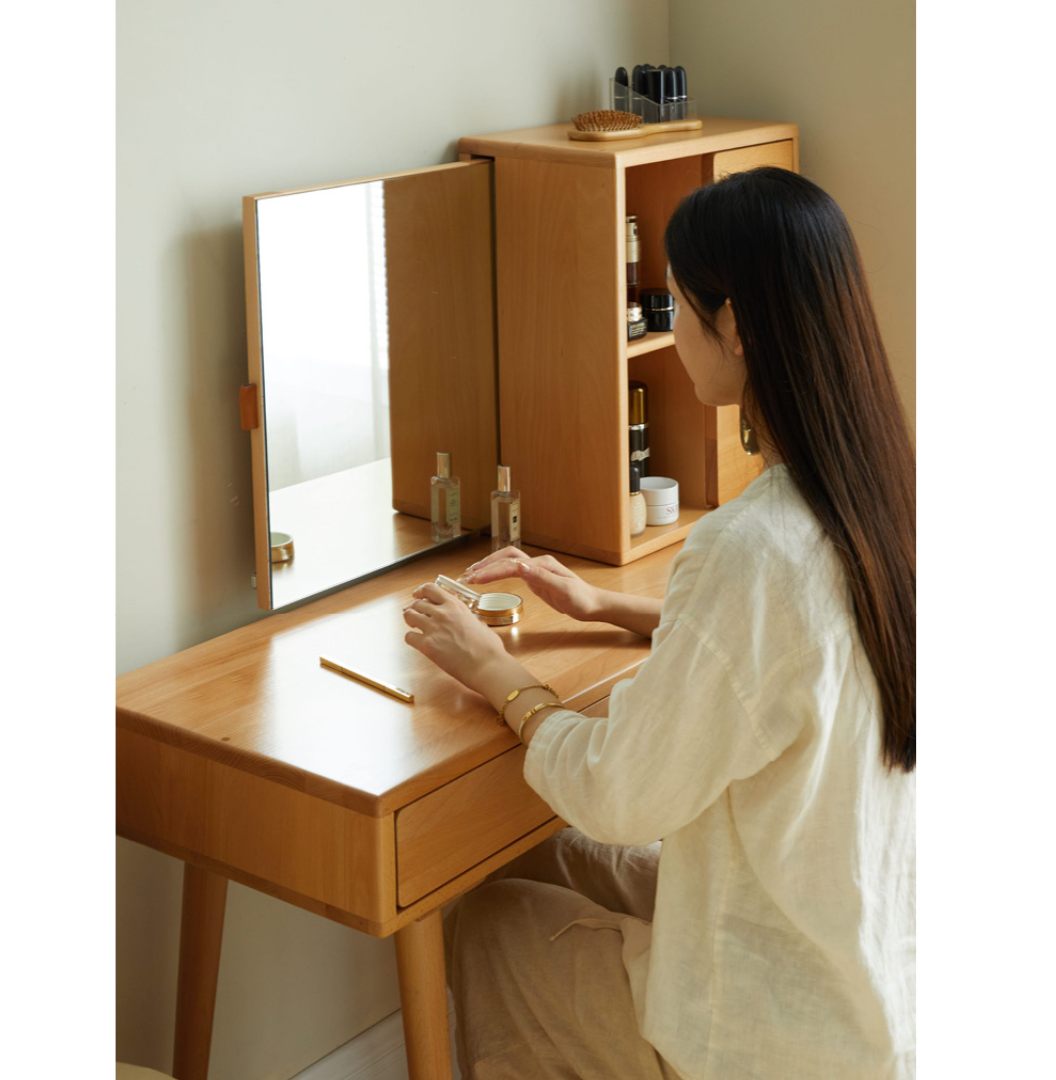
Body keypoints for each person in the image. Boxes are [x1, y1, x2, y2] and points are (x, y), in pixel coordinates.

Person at [402, 166, 916, 1080]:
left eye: (677, 303)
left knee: (486, 921)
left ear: (738, 330)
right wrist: (613, 606)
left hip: (773, 1041)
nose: (670, 329)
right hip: (873, 991)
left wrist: (495, 673)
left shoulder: (747, 550)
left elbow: (618, 794)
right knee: (556, 859)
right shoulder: (880, 500)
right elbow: (789, 653)